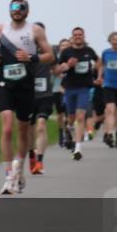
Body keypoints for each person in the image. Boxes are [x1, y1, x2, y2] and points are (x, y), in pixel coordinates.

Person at [0, 0, 54, 194]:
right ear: (9, 10)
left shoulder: (35, 30)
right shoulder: (0, 29)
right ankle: (9, 174)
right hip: (4, 83)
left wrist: (32, 57)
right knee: (7, 127)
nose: (17, 11)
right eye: (14, 8)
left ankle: (19, 168)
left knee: (23, 130)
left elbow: (50, 56)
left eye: (21, 8)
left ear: (27, 11)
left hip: (25, 85)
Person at [58, 28, 99, 161]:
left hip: (84, 88)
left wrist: (98, 74)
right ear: (72, 37)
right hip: (70, 88)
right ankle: (68, 130)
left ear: (83, 36)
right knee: (71, 118)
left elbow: (99, 62)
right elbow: (59, 70)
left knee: (80, 117)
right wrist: (68, 65)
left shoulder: (89, 51)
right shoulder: (66, 52)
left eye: (80, 35)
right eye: (75, 35)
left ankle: (78, 148)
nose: (78, 37)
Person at [30, 22, 56, 175]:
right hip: (28, 95)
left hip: (45, 94)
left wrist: (66, 67)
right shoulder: (23, 49)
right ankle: (31, 155)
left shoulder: (50, 51)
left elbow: (56, 69)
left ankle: (39, 160)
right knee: (28, 130)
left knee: (41, 125)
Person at [53, 38, 71, 147]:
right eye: (62, 45)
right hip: (57, 89)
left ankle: (67, 133)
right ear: (59, 47)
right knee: (60, 114)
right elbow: (50, 70)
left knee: (68, 113)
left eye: (66, 45)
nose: (64, 47)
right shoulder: (56, 59)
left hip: (69, 89)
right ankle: (61, 133)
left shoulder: (72, 59)